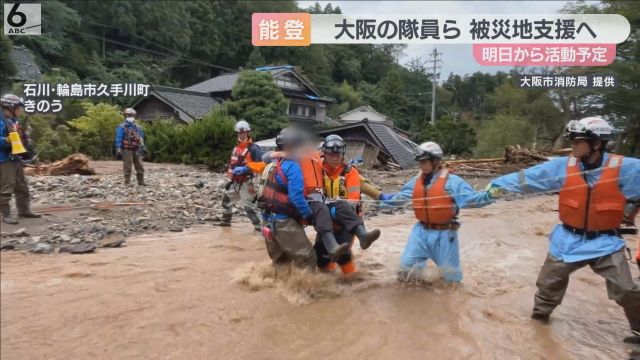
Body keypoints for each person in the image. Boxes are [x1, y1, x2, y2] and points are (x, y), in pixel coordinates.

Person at [486, 117, 640, 344]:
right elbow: (529, 178)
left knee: (627, 289)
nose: (573, 146)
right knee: (548, 285)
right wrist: (497, 186)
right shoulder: (562, 166)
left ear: (596, 144)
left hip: (605, 241)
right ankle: (538, 324)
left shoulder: (625, 167)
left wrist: (633, 204)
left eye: (578, 141)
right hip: (568, 239)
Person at [380, 141, 492, 283]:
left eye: (424, 161)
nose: (421, 165)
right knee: (405, 271)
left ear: (435, 161)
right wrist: (381, 198)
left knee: (451, 282)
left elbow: (471, 199)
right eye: (420, 162)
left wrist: (489, 195)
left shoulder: (452, 181)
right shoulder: (417, 180)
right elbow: (400, 198)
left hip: (445, 234)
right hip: (420, 232)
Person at [316, 134, 381, 274]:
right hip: (325, 222)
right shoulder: (316, 169)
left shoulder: (349, 172)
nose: (334, 158)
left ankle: (352, 282)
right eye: (331, 154)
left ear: (342, 154)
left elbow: (353, 201)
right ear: (324, 154)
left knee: (343, 256)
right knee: (320, 258)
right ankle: (326, 284)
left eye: (337, 155)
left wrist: (333, 208)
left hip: (346, 222)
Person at [256, 128, 317, 270]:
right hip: (283, 223)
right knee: (308, 259)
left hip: (267, 221)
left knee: (280, 263)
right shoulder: (293, 166)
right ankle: (307, 292)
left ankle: (280, 290)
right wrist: (309, 215)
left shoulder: (271, 164)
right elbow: (296, 197)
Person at [0, 94, 41, 224]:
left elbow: (20, 138)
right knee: (7, 188)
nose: (20, 110)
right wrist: (5, 140)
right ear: (10, 107)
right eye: (18, 108)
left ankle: (24, 210)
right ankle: (6, 215)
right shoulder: (1, 121)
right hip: (5, 160)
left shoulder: (14, 121)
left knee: (22, 186)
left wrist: (28, 150)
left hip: (16, 158)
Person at [216, 120, 264, 232]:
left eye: (243, 132)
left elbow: (261, 165)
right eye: (239, 133)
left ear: (248, 133)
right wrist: (230, 179)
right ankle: (226, 223)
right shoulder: (236, 148)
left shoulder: (253, 148)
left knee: (248, 206)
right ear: (237, 133)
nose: (241, 134)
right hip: (235, 182)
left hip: (247, 182)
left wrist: (246, 168)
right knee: (226, 200)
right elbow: (232, 165)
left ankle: (259, 228)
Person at [114, 108, 146, 186]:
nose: (130, 117)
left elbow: (141, 137)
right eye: (128, 115)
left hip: (137, 148)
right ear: (125, 116)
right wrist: (118, 148)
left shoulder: (138, 127)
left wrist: (143, 147)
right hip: (126, 149)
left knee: (140, 165)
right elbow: (118, 137)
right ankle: (127, 182)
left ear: (134, 116)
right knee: (127, 166)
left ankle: (141, 181)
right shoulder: (121, 127)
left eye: (132, 115)